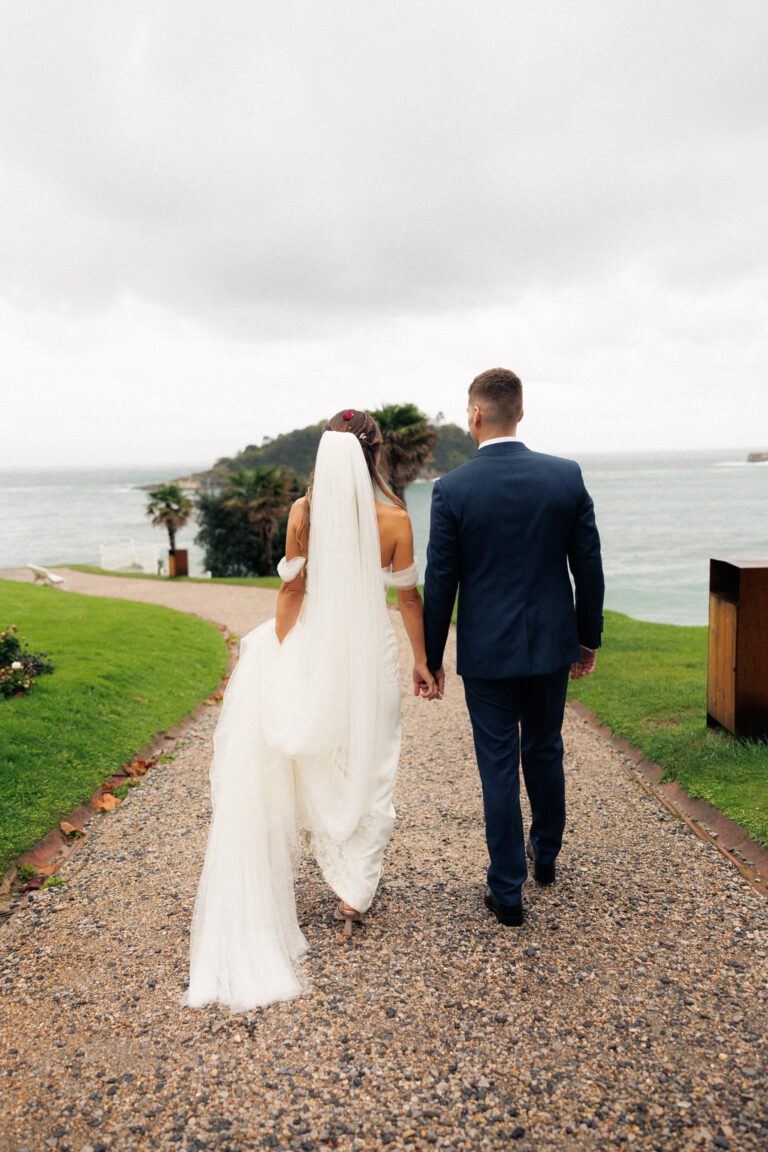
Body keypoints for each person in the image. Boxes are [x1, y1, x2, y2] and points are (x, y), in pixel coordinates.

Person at [186, 409, 438, 1011]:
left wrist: (276, 645)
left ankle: (336, 864)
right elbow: (407, 596)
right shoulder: (396, 518)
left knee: (319, 753)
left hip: (316, 643)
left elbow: (292, 590)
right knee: (372, 762)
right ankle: (354, 891)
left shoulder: (304, 513)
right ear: (374, 453)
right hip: (368, 655)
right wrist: (423, 660)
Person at [423, 368, 604, 926]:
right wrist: (586, 636)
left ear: (474, 415)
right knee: (545, 749)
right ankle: (546, 854)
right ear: (520, 413)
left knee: (497, 765)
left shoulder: (452, 489)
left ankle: (508, 891)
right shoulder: (565, 476)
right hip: (552, 645)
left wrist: (430, 659)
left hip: (489, 654)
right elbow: (589, 568)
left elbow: (441, 583)